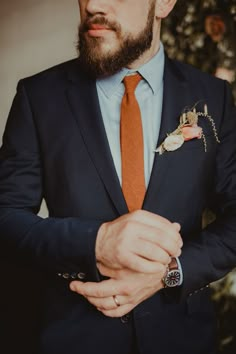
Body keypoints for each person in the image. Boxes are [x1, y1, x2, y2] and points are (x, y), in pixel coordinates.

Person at [0, 0, 236, 353]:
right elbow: (5, 215)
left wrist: (170, 273)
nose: (93, 4)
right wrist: (95, 242)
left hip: (183, 340)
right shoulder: (38, 96)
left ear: (165, 4)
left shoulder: (212, 97)